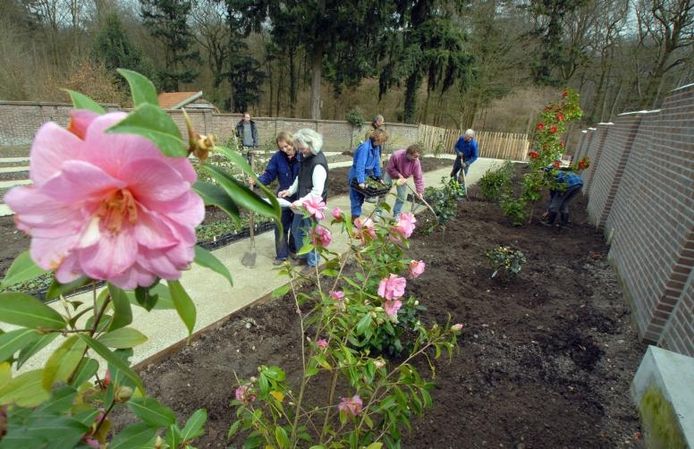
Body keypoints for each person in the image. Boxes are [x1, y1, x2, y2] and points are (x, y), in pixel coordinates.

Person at [278, 129, 328, 268]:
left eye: (302, 148)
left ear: (312, 144)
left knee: (311, 235)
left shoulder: (318, 163)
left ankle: (313, 264)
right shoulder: (306, 157)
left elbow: (317, 192)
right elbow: (300, 177)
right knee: (296, 230)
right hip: (302, 205)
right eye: (299, 148)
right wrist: (289, 191)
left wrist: (300, 201)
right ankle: (304, 256)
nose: (300, 151)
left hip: (312, 207)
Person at [249, 131, 301, 265]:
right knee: (280, 226)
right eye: (282, 148)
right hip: (282, 198)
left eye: (287, 146)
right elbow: (269, 174)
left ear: (293, 142)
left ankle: (294, 250)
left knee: (297, 226)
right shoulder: (278, 158)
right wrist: (257, 181)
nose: (285, 150)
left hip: (299, 198)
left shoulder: (302, 157)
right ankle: (282, 255)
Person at [348, 128, 389, 221]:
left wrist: (379, 177)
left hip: (366, 175)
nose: (383, 143)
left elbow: (376, 164)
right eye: (382, 141)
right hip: (356, 174)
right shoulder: (365, 147)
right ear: (377, 139)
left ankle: (356, 217)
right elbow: (360, 165)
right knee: (356, 198)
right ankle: (354, 219)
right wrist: (361, 181)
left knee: (361, 197)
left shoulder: (376, 148)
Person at [383, 144, 424, 216]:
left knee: (401, 197)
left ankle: (396, 213)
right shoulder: (396, 155)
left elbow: (418, 177)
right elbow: (390, 167)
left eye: (418, 156)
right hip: (390, 174)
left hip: (403, 178)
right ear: (408, 154)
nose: (417, 158)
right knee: (383, 193)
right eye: (415, 156)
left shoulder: (416, 162)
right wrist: (398, 175)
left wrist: (419, 191)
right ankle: (378, 212)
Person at [543, 163, 583, 227]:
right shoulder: (563, 171)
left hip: (568, 185)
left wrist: (549, 210)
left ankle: (549, 222)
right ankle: (564, 223)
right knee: (564, 203)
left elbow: (553, 196)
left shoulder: (553, 175)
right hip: (579, 184)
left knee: (555, 203)